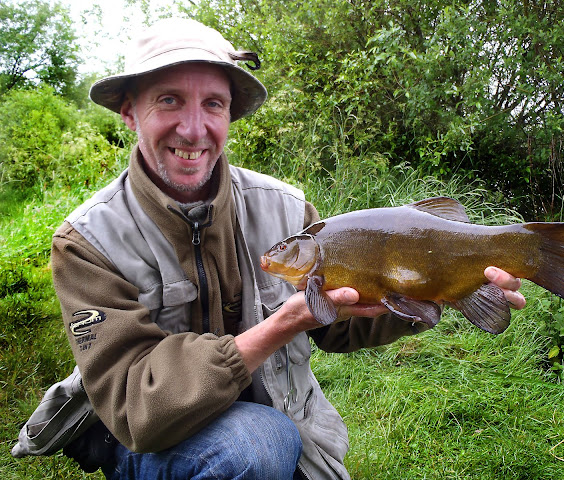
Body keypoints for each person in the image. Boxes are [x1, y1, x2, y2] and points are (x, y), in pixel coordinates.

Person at [49, 17, 526, 480]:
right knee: (255, 446)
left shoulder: (286, 210)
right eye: (169, 100)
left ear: (230, 113)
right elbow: (137, 411)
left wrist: (440, 289)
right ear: (130, 111)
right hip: (155, 439)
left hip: (288, 420)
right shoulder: (87, 244)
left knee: (270, 440)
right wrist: (282, 325)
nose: (194, 130)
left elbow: (338, 330)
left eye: (213, 104)